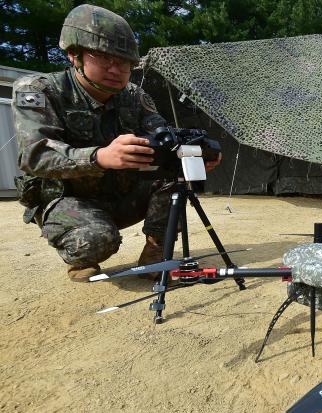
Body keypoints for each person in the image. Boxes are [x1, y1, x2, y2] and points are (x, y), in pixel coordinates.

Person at [13, 4, 219, 282]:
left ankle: (156, 251)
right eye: (102, 57)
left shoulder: (133, 95)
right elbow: (34, 155)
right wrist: (98, 157)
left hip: (121, 194)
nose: (116, 69)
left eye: (124, 62)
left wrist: (196, 153)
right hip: (69, 200)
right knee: (96, 240)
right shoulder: (40, 90)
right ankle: (81, 255)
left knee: (177, 178)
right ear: (74, 55)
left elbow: (162, 137)